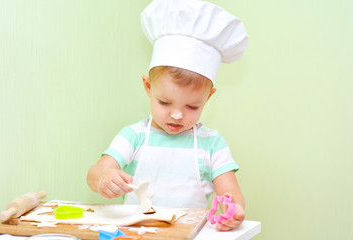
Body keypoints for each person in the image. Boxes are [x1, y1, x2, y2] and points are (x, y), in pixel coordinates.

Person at [87, 0, 248, 231]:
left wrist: (234, 209)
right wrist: (104, 178)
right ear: (148, 87)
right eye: (164, 102)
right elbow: (95, 172)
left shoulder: (212, 144)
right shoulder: (134, 136)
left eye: (192, 107)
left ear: (209, 97)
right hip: (136, 234)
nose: (176, 115)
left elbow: (230, 192)